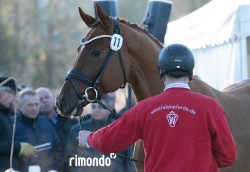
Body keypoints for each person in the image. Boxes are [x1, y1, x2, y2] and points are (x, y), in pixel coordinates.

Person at [78, 44, 237, 172]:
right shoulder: (210, 107)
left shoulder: (144, 109)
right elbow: (228, 156)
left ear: (161, 72)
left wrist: (88, 138)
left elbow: (111, 140)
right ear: (190, 73)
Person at [65, 93, 133, 172]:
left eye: (100, 107)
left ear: (109, 108)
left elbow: (128, 159)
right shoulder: (77, 130)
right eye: (93, 107)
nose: (96, 110)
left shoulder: (120, 130)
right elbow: (69, 158)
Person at [15, 88, 63, 172]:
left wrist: (54, 169)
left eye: (36, 104)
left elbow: (57, 149)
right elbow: (8, 154)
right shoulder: (12, 125)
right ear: (20, 106)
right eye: (30, 105)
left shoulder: (45, 121)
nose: (34, 108)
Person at [0, 77, 36, 171]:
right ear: (3, 95)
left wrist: (19, 153)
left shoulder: (4, 114)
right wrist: (19, 147)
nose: (15, 98)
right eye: (13, 94)